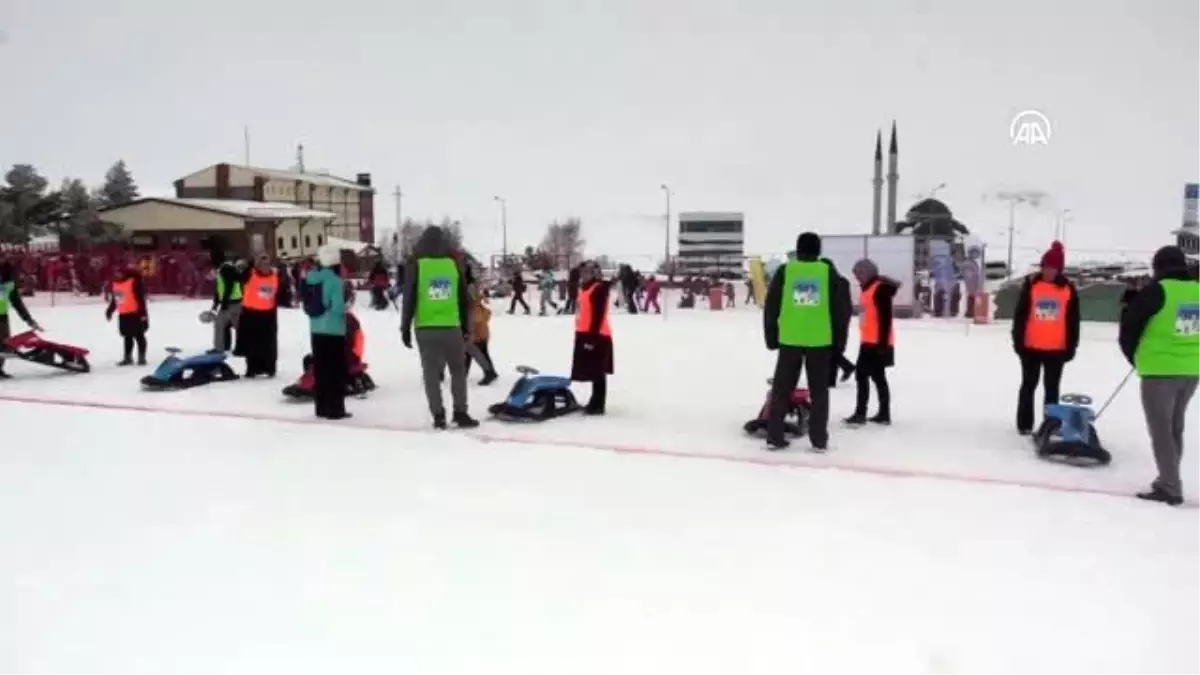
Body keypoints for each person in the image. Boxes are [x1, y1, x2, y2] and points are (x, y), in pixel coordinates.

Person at [1118, 245, 1200, 506]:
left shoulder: (1158, 291)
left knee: (1161, 430)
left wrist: (1136, 358)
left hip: (1160, 371)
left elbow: (1129, 328)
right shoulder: (1197, 290)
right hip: (1191, 370)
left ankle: (1169, 486)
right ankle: (1170, 478)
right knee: (1175, 425)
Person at [762, 232, 851, 451]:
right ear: (818, 250)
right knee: (819, 391)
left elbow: (771, 305)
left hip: (790, 338)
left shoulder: (786, 271)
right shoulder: (827, 272)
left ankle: (775, 436)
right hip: (820, 340)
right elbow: (841, 310)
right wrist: (839, 343)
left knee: (782, 389)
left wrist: (772, 337)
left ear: (798, 249)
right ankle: (819, 439)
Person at [400, 226, 479, 429]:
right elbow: (463, 299)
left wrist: (405, 327)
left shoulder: (416, 263)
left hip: (425, 328)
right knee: (458, 371)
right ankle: (461, 412)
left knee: (430, 373)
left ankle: (438, 415)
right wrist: (466, 326)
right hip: (451, 326)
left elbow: (409, 298)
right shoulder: (453, 264)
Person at [1010, 241, 1080, 435]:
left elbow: (1073, 320)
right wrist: (1018, 341)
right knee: (1028, 385)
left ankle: (1050, 424)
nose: (1048, 272)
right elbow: (1020, 315)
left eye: (1052, 268)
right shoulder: (1032, 285)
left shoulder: (1068, 289)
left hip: (1056, 349)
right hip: (1031, 347)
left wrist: (1072, 346)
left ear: (1059, 270)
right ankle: (1024, 424)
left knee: (1052, 389)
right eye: (1045, 267)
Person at [844, 259, 897, 425]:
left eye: (858, 274)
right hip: (868, 340)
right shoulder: (869, 288)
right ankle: (883, 414)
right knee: (877, 377)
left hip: (876, 342)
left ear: (867, 272)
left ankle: (862, 414)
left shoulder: (880, 289)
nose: (857, 278)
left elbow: (885, 318)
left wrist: (882, 344)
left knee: (864, 376)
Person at [301, 245, 350, 420]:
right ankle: (335, 409)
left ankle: (321, 407)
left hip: (316, 329)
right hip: (333, 331)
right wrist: (346, 305)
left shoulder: (310, 279)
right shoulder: (334, 281)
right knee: (335, 371)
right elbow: (337, 308)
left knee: (320, 370)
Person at [571, 261, 614, 414]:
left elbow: (598, 316)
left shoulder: (599, 289)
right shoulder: (585, 288)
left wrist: (592, 339)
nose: (584, 275)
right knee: (592, 370)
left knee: (598, 371)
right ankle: (594, 401)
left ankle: (598, 405)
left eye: (587, 272)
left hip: (597, 335)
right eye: (582, 272)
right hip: (584, 333)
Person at [235, 254, 280, 378]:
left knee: (268, 344)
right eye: (262, 263)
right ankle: (252, 369)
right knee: (251, 344)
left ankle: (269, 368)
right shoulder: (250, 274)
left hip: (268, 315)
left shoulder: (275, 276)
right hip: (251, 314)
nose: (265, 266)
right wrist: (250, 265)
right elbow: (239, 278)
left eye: (267, 263)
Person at [0, 260, 42, 379]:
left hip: (1, 315)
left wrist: (29, 320)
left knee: (4, 344)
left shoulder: (8, 276)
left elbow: (16, 302)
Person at [104, 261, 149, 366]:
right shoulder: (117, 284)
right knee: (127, 337)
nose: (117, 275)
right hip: (124, 314)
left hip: (136, 313)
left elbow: (141, 299)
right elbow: (116, 300)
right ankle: (128, 357)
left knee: (139, 336)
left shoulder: (134, 281)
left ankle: (141, 357)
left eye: (119, 273)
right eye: (115, 273)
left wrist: (143, 314)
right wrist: (110, 311)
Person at [823, 257, 856, 388]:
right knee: (835, 349)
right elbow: (847, 303)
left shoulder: (826, 282)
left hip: (830, 319)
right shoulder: (843, 281)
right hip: (843, 319)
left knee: (830, 350)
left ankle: (845, 368)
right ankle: (831, 380)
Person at [210, 249, 243, 352]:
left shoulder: (226, 269)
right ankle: (240, 348)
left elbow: (229, 286)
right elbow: (219, 288)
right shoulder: (224, 269)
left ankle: (219, 348)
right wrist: (216, 303)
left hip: (231, 303)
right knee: (237, 326)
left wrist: (223, 302)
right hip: (236, 302)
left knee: (220, 325)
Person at [465, 284, 499, 385]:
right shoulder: (476, 304)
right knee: (470, 354)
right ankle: (463, 373)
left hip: (478, 336)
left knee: (480, 355)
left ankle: (490, 373)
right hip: (479, 334)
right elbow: (487, 314)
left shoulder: (474, 306)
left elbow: (479, 317)